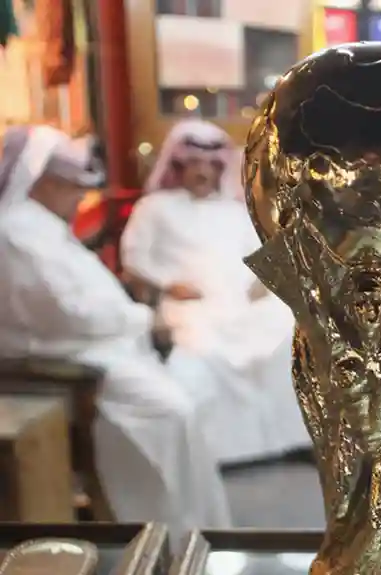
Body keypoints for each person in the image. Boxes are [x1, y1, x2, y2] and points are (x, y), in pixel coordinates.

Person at [0, 125, 231, 546]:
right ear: (45, 182)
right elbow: (68, 313)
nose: (78, 197)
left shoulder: (37, 226)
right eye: (71, 187)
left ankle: (197, 531)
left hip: (95, 344)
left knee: (185, 402)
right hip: (67, 358)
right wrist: (140, 319)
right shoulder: (17, 233)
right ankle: (160, 534)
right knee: (170, 411)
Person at [121, 119, 310, 464]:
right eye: (194, 163)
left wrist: (263, 287)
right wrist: (167, 283)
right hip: (189, 302)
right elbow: (134, 260)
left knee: (293, 327)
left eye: (210, 164)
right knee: (204, 349)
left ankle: (289, 440)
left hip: (239, 302)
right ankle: (217, 451)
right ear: (179, 166)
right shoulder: (154, 208)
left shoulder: (234, 211)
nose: (202, 171)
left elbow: (260, 260)